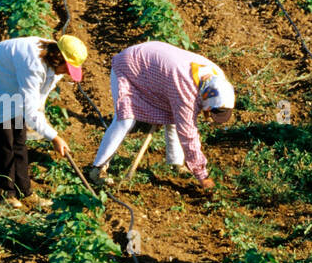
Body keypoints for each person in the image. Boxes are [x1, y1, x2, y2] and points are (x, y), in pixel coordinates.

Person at [86, 40, 235, 191]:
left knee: (175, 116)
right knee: (125, 120)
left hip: (155, 68)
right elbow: (188, 133)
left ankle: (176, 163)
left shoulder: (218, 78)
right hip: (129, 66)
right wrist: (202, 175)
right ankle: (97, 169)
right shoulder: (186, 90)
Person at [0, 35, 85, 209]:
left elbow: (38, 101)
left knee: (19, 140)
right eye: (68, 67)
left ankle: (25, 192)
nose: (67, 72)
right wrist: (54, 137)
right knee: (3, 139)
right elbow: (30, 109)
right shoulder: (33, 63)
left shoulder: (54, 67)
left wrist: (37, 120)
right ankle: (5, 195)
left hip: (10, 83)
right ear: (59, 57)